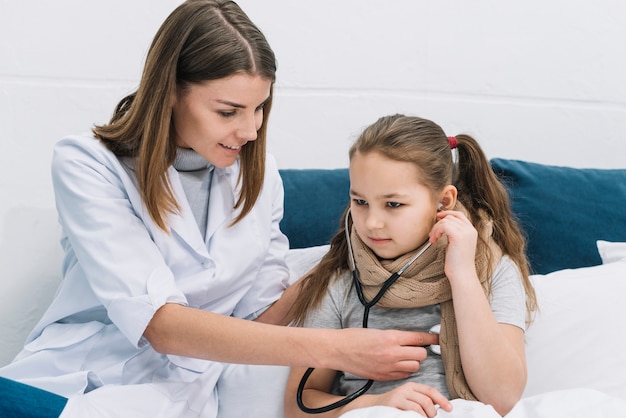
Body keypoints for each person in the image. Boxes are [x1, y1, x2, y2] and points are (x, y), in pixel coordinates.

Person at [0, 3, 438, 417]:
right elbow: (160, 326)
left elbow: (257, 318)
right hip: (82, 371)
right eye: (228, 111)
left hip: (197, 383)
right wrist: (336, 347)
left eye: (259, 108)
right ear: (170, 92)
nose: (249, 130)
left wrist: (344, 262)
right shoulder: (88, 163)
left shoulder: (258, 172)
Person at [284, 114, 538, 418]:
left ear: (443, 202)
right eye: (360, 202)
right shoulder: (338, 280)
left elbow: (503, 397)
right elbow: (299, 406)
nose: (372, 222)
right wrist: (378, 403)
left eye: (393, 204)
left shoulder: (492, 269)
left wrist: (463, 277)